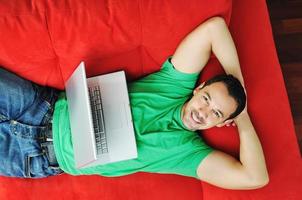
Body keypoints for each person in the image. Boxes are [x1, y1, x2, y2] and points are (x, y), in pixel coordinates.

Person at [0, 16, 269, 189]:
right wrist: (239, 86)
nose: (203, 112)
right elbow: (215, 29)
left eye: (216, 114)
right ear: (199, 89)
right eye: (207, 99)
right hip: (39, 106)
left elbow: (255, 177)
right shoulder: (173, 86)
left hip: (32, 156)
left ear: (223, 123)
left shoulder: (188, 155)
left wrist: (241, 115)